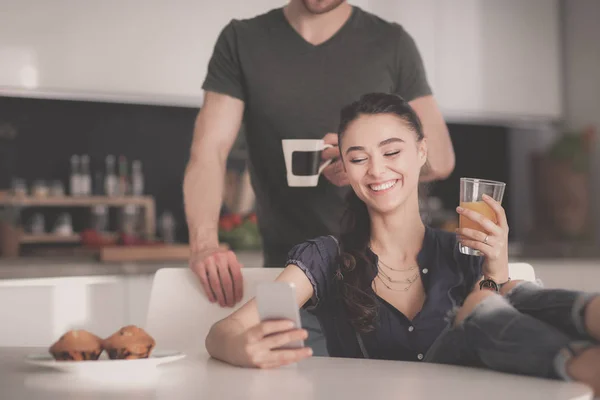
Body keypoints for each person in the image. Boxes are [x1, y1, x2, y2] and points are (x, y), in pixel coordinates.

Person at [204, 93, 600, 394]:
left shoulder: (461, 248)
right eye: (358, 159)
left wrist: (494, 265)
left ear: (421, 152)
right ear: (345, 167)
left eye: (392, 151)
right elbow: (222, 332)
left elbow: (499, 347)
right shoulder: (327, 257)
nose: (377, 170)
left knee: (507, 293)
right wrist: (242, 349)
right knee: (482, 304)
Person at [184, 0, 454, 357]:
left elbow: (440, 158)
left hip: (381, 282)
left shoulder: (391, 43)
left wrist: (364, 159)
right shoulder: (242, 40)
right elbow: (209, 151)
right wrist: (205, 242)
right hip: (287, 280)